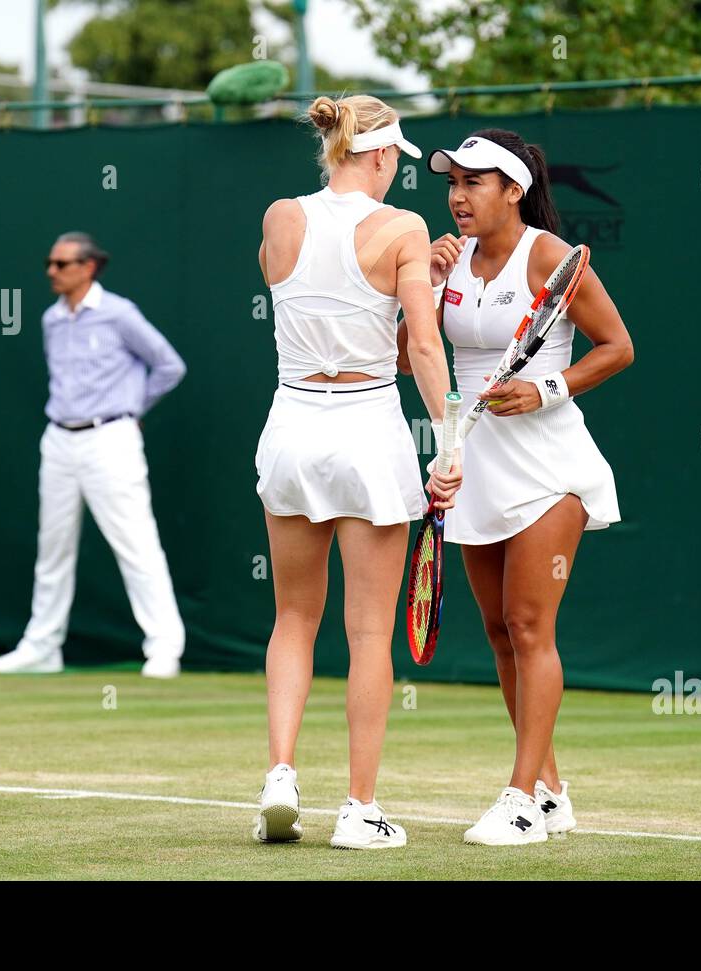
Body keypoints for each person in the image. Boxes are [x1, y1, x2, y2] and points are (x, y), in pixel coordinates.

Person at [254, 95, 462, 849]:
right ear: (379, 155)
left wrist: (418, 275)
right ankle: (359, 808)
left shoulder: (279, 217)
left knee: (292, 617)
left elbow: (316, 297)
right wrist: (451, 441)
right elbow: (422, 347)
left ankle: (280, 775)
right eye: (395, 163)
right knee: (369, 631)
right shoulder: (403, 228)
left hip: (291, 426)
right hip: (366, 428)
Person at [422, 129, 634, 845]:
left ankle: (518, 798)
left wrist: (546, 387)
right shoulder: (445, 262)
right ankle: (549, 789)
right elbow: (409, 355)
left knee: (529, 624)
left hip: (549, 467)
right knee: (497, 632)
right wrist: (421, 283)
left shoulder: (545, 253)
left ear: (513, 190)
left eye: (474, 182)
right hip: (475, 461)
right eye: (452, 183)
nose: (457, 196)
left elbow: (618, 346)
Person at [0, 233, 188, 678]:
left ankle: (163, 647)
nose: (51, 272)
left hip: (110, 440)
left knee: (136, 544)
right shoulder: (51, 320)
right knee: (52, 547)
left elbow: (169, 365)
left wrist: (134, 408)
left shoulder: (119, 314)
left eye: (61, 264)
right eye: (49, 263)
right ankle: (42, 646)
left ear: (89, 266)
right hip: (58, 440)